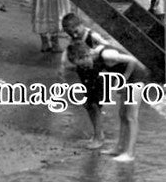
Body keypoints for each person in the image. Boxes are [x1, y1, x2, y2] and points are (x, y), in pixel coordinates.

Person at [62, 14, 147, 160]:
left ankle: (130, 153)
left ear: (86, 55)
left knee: (131, 116)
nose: (85, 67)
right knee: (122, 115)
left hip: (137, 77)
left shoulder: (107, 55)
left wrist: (123, 81)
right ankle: (119, 147)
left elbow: (134, 61)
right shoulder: (93, 55)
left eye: (83, 64)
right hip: (128, 79)